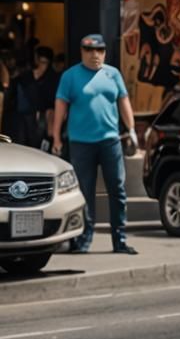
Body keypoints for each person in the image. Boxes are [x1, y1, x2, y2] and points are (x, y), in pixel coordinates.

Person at [52, 34, 138, 255]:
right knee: (84, 192)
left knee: (117, 189)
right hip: (81, 143)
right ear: (82, 52)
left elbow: (124, 101)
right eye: (90, 51)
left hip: (110, 141)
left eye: (100, 50)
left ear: (105, 52)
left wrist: (132, 130)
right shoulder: (70, 76)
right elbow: (60, 106)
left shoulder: (113, 74)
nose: (95, 55)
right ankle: (83, 239)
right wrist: (56, 138)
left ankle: (119, 239)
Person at [2, 46, 58, 149]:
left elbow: (8, 86)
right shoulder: (53, 77)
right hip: (31, 119)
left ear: (37, 58)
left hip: (39, 119)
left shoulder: (27, 77)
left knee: (28, 149)